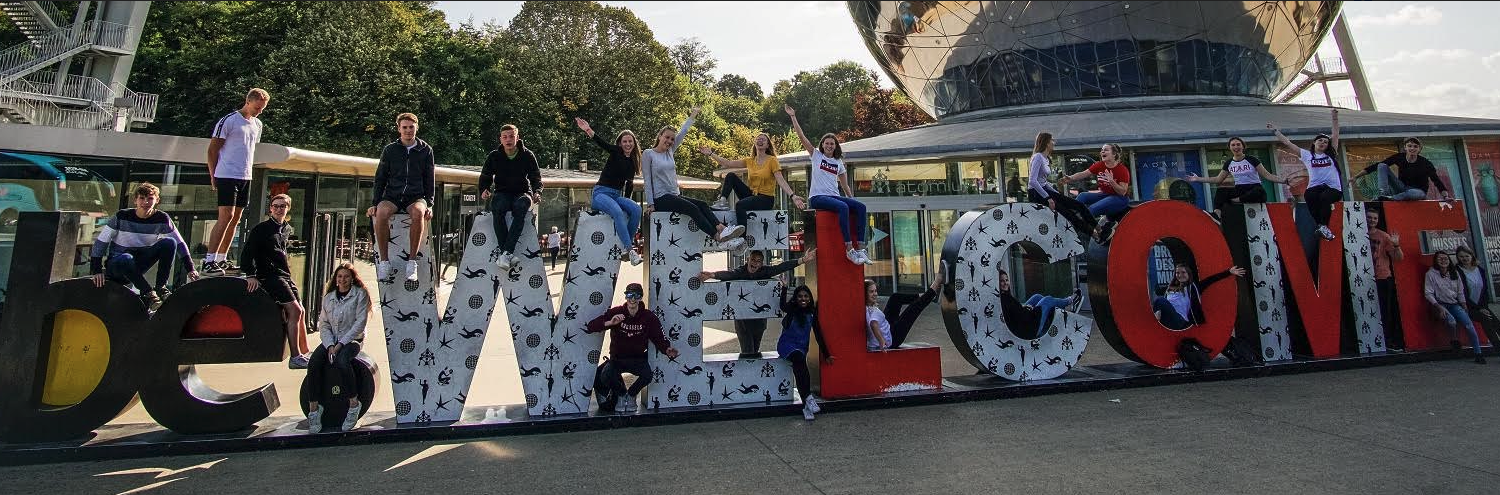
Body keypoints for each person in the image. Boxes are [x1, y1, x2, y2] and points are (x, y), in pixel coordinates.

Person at [642, 107, 747, 252]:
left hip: (674, 195)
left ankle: (722, 229)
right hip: (661, 198)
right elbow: (647, 180)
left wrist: (693, 115)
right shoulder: (648, 154)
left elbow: (683, 132)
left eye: (672, 139)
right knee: (692, 209)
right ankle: (717, 237)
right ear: (660, 136)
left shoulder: (670, 152)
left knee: (703, 204)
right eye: (667, 137)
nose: (670, 141)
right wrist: (650, 204)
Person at [785, 104, 873, 265]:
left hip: (834, 196)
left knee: (860, 207)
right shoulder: (816, 156)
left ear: (835, 146)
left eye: (832, 143)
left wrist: (851, 199)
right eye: (827, 143)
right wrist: (793, 117)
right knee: (843, 208)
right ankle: (849, 249)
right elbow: (802, 137)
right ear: (822, 145)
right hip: (818, 197)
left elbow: (845, 186)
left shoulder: (838, 162)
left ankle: (860, 248)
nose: (829, 145)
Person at [90, 182, 200, 307]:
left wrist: (190, 268)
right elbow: (100, 243)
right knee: (126, 258)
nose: (145, 202)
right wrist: (96, 270)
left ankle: (160, 287)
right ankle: (148, 292)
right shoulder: (121, 216)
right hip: (118, 265)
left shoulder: (162, 218)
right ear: (135, 200)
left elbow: (180, 243)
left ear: (157, 200)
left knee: (169, 243)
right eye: (142, 198)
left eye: (150, 199)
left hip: (138, 264)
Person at [698, 249, 817, 358]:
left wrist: (802, 260)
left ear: (761, 264)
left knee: (755, 350)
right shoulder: (741, 271)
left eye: (758, 261)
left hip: (759, 319)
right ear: (748, 260)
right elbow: (730, 274)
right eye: (753, 259)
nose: (755, 263)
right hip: (743, 320)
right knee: (747, 351)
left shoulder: (765, 271)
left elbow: (781, 267)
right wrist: (712, 275)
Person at [203, 88, 270, 275]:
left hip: (245, 175)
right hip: (227, 174)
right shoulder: (229, 120)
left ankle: (222, 258)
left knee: (236, 218)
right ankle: (209, 260)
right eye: (257, 107)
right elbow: (212, 150)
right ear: (248, 102)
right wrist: (213, 175)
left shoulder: (257, 124)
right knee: (226, 215)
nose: (259, 111)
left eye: (262, 109)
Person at [585, 283, 679, 413]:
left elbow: (659, 337)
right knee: (606, 375)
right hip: (617, 358)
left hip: (637, 358)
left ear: (641, 297)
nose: (632, 299)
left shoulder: (648, 317)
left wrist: (667, 349)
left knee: (647, 375)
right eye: (629, 295)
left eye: (636, 296)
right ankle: (622, 395)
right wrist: (610, 323)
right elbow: (591, 326)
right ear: (625, 296)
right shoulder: (616, 312)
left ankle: (631, 396)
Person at [242, 194, 312, 369]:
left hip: (284, 275)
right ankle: (295, 357)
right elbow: (247, 254)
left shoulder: (286, 228)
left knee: (301, 310)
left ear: (288, 209)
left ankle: (306, 352)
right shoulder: (261, 229)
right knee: (294, 310)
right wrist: (251, 275)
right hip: (270, 276)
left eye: (283, 206)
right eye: (276, 206)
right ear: (270, 208)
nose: (279, 209)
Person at [368, 112, 436, 283]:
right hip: (392, 195)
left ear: (416, 128)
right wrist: (375, 203)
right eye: (404, 127)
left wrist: (430, 204)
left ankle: (412, 262)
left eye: (411, 127)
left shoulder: (425, 150)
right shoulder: (390, 150)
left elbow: (430, 178)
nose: (408, 130)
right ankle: (384, 262)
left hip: (415, 196)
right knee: (381, 213)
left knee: (418, 213)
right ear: (399, 129)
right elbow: (380, 177)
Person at [304, 263, 370, 433]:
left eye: (346, 276)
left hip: (352, 340)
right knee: (314, 363)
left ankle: (353, 404)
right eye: (340, 276)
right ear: (335, 279)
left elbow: (360, 323)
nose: (343, 280)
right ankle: (314, 408)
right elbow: (324, 324)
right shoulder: (329, 297)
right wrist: (330, 345)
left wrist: (341, 344)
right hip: (331, 341)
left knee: (342, 362)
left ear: (352, 278)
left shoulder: (360, 295)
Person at [574, 117, 644, 265]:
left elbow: (629, 185)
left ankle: (626, 248)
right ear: (620, 143)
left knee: (636, 209)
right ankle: (630, 249)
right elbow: (602, 143)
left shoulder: (632, 161)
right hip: (601, 194)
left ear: (634, 143)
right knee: (617, 212)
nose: (627, 144)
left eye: (630, 141)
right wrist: (588, 129)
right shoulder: (616, 152)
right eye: (624, 141)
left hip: (616, 196)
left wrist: (628, 202)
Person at [699, 132, 807, 228]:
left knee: (740, 205)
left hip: (765, 199)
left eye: (763, 139)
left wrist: (793, 195)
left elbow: (780, 179)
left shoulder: (772, 160)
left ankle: (742, 237)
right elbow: (727, 163)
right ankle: (722, 201)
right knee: (731, 175)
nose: (760, 140)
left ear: (767, 145)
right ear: (755, 143)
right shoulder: (750, 160)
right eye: (758, 139)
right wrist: (711, 154)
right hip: (751, 195)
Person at [1269, 108, 1342, 241]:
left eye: (1326, 142)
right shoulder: (1307, 155)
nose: (1323, 143)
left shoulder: (1331, 154)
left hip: (1333, 188)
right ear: (1314, 143)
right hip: (1315, 187)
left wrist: (1334, 117)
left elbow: (1335, 134)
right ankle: (1321, 226)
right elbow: (1288, 143)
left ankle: (1324, 226)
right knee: (1308, 195)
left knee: (1325, 197)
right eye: (1320, 141)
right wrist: (1275, 131)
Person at [477, 124, 542, 271]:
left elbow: (535, 177)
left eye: (511, 136)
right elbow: (485, 175)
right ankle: (508, 253)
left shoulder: (527, 155)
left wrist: (537, 191)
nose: (508, 140)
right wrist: (484, 189)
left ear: (517, 138)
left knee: (522, 205)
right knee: (497, 206)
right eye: (505, 137)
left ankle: (505, 253)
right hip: (502, 192)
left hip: (523, 192)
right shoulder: (494, 156)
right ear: (501, 139)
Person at [1187, 137, 1289, 219]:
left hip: (1254, 188)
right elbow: (1218, 180)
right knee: (1221, 191)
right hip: (1240, 189)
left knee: (1259, 191)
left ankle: (1237, 200)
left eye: (1238, 144)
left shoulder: (1252, 159)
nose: (1236, 147)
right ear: (1230, 148)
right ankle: (1217, 214)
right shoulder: (1229, 163)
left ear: (1243, 147)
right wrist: (1197, 179)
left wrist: (1284, 181)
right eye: (1233, 145)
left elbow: (1267, 175)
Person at [1025, 131, 1096, 241]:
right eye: (1052, 140)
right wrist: (1048, 198)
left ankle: (1099, 229)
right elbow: (1033, 181)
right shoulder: (1038, 157)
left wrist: (1057, 194)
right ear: (1046, 143)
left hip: (1044, 190)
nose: (1054, 142)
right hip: (1036, 193)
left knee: (1079, 205)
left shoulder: (1046, 158)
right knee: (1069, 214)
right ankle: (1093, 234)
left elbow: (1043, 181)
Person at [777, 284, 832, 420]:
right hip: (786, 346)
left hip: (801, 348)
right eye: (800, 296)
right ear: (796, 298)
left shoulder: (812, 313)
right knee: (799, 360)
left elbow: (818, 334)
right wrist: (784, 288)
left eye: (806, 296)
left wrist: (827, 354)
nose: (803, 299)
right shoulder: (792, 309)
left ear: (810, 298)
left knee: (801, 366)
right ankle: (808, 397)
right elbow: (783, 305)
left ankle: (806, 406)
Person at [1425, 250, 1485, 364]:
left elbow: (1460, 291)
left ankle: (1478, 353)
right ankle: (1454, 340)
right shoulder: (1431, 274)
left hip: (1454, 304)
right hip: (1440, 304)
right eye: (1440, 259)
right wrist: (1439, 307)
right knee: (1451, 321)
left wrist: (1464, 305)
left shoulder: (1454, 273)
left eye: (1445, 258)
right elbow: (1428, 293)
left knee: (1469, 326)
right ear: (1436, 261)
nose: (1443, 261)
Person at [864, 271, 945, 351]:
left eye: (875, 291)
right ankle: (933, 289)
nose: (875, 294)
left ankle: (923, 296)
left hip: (887, 329)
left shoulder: (867, 306)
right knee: (912, 309)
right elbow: (873, 324)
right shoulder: (871, 311)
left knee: (895, 298)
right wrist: (881, 342)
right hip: (892, 338)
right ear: (864, 294)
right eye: (871, 292)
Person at [1353, 137, 1453, 202]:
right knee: (1382, 166)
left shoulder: (1425, 163)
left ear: (1419, 149)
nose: (1412, 149)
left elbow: (1437, 181)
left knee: (1410, 193)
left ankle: (1390, 198)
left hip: (1418, 192)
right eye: (1409, 146)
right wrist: (1356, 177)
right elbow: (1377, 166)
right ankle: (1383, 194)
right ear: (1405, 147)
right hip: (1402, 187)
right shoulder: (1400, 157)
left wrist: (1445, 196)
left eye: (1415, 146)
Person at [1152, 263, 1247, 331]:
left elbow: (1211, 280)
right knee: (1160, 301)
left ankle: (1154, 325)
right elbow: (1157, 291)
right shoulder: (1170, 288)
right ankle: (1156, 325)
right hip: (1167, 319)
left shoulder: (1194, 287)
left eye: (1183, 272)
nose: (1180, 275)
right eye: (1177, 273)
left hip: (1180, 321)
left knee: (1160, 300)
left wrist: (1229, 272)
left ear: (1189, 274)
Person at [995, 270, 1081, 339]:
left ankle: (1056, 311)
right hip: (1029, 330)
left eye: (1006, 280)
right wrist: (1027, 309)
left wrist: (1024, 308)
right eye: (1002, 281)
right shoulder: (1005, 299)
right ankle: (1069, 301)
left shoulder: (1004, 297)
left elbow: (1015, 312)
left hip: (1023, 322)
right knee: (1048, 300)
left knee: (1037, 297)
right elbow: (1019, 315)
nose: (1005, 283)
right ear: (997, 283)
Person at [1060, 143, 1132, 221]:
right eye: (1102, 150)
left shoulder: (1122, 170)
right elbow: (1083, 174)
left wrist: (1112, 181)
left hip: (1120, 199)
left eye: (1106, 150)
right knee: (1083, 196)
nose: (1102, 152)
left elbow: (1122, 192)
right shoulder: (1100, 165)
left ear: (1114, 154)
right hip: (1105, 195)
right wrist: (1071, 178)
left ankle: (1089, 229)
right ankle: (1067, 217)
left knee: (1092, 209)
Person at [1367, 207, 1405, 351]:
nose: (1372, 220)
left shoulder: (1383, 236)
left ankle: (1388, 341)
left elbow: (1398, 258)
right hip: (1364, 278)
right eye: (1369, 217)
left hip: (1382, 277)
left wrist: (1396, 245)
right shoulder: (1359, 233)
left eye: (1375, 218)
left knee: (1385, 311)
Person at [1453, 245, 1499, 346]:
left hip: (1481, 306)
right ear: (1457, 257)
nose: (1464, 258)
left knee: (1497, 323)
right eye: (1461, 256)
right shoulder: (1456, 271)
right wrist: (1478, 308)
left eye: (1467, 256)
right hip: (1467, 307)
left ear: (1471, 256)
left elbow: (1485, 290)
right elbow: (1461, 293)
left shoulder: (1480, 270)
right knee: (1486, 320)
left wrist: (1484, 307)